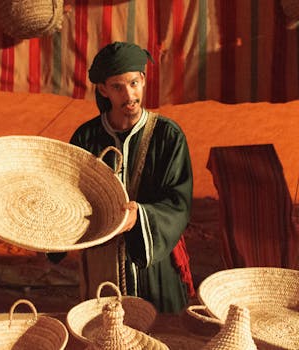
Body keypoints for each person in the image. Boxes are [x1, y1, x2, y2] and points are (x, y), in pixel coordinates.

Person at [50, 42, 194, 314]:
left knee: (160, 335)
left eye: (134, 83)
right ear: (103, 89)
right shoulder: (86, 137)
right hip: (101, 262)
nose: (129, 94)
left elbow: (179, 202)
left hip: (154, 263)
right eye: (118, 87)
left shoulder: (168, 135)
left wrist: (139, 216)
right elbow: (69, 194)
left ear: (143, 79)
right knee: (105, 333)